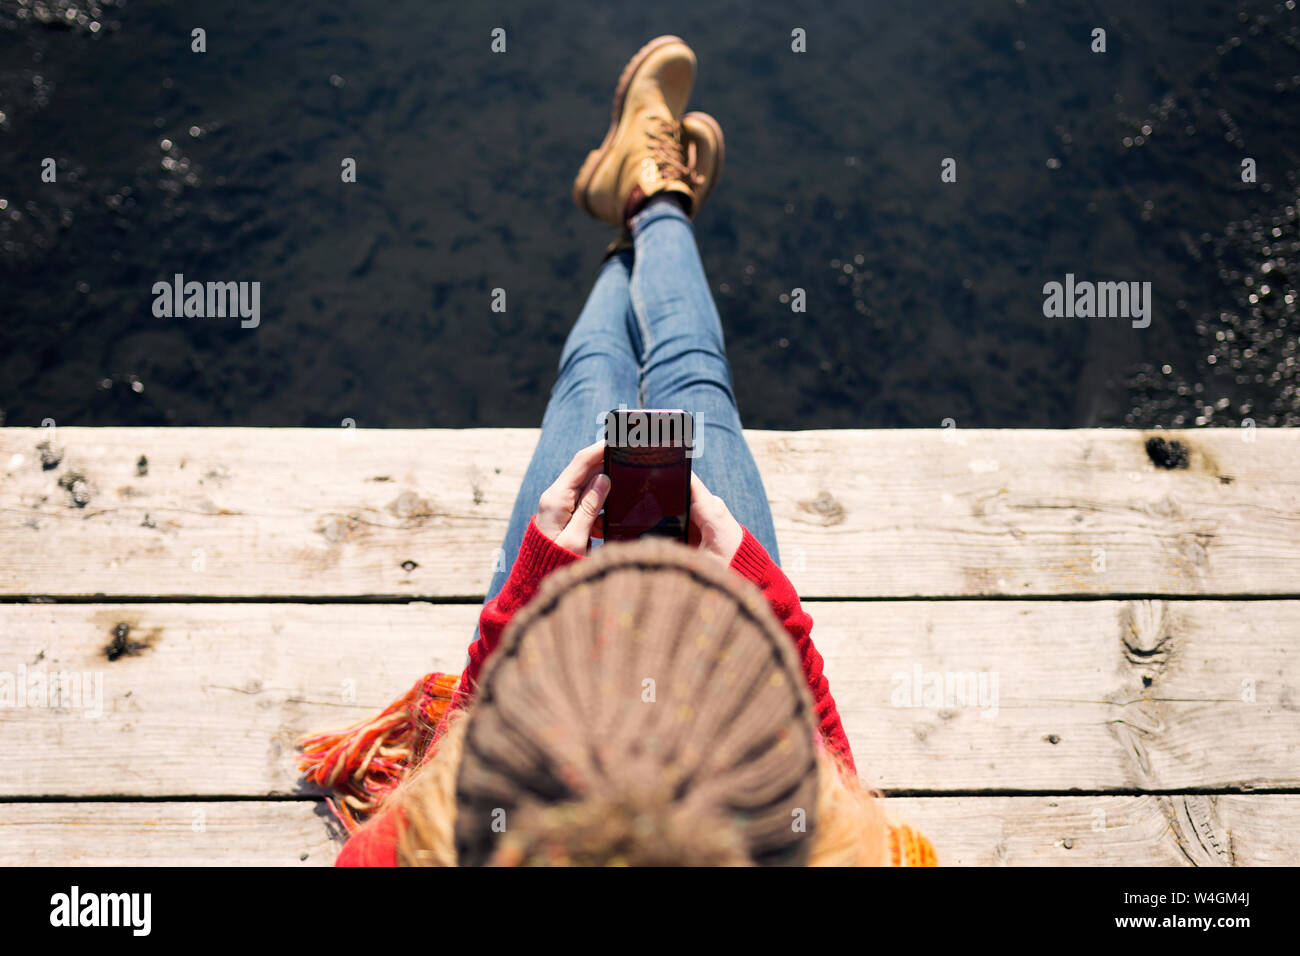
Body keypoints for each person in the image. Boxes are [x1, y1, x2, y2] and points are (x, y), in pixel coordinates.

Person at [299, 36, 936, 867]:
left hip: (588, 697)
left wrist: (530, 595)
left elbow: (453, 769)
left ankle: (643, 206)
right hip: (698, 693)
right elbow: (832, 792)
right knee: (687, 382)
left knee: (598, 384)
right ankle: (653, 203)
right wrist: (760, 598)